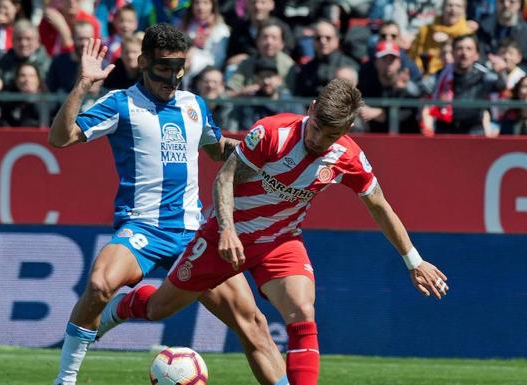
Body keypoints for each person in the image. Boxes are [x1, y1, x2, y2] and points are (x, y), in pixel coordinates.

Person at [102, 78, 450, 385]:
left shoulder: (347, 157)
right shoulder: (271, 132)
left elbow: (379, 205)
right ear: (311, 109)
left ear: (348, 127)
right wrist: (225, 230)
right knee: (160, 308)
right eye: (316, 128)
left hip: (280, 242)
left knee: (302, 311)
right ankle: (123, 306)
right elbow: (224, 178)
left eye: (331, 135)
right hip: (226, 238)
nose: (318, 139)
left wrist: (414, 261)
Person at [48, 23, 288, 385]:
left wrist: (256, 152)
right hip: (142, 227)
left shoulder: (194, 105)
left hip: (194, 233)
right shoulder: (120, 103)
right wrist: (84, 85)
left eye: (180, 69)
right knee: (99, 285)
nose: (172, 77)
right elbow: (60, 138)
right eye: (163, 68)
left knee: (251, 323)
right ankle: (64, 380)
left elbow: (213, 148)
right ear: (143, 61)